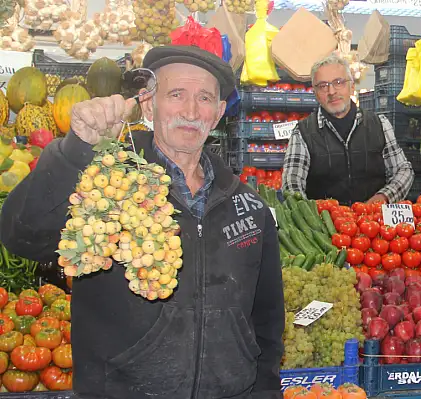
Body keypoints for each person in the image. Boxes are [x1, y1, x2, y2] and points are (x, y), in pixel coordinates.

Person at [0, 45, 284, 399]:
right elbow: (21, 235)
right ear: (148, 104)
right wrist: (76, 149)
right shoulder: (107, 186)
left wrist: (265, 391)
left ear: (219, 113)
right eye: (176, 94)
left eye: (205, 98)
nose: (191, 111)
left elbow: (268, 320)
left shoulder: (249, 206)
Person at [282, 54, 414, 205]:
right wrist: (308, 214)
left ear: (351, 86)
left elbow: (403, 170)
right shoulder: (302, 133)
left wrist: (384, 197)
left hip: (374, 223)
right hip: (325, 224)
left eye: (338, 82)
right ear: (315, 93)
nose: (331, 91)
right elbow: (291, 183)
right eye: (323, 86)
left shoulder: (380, 124)